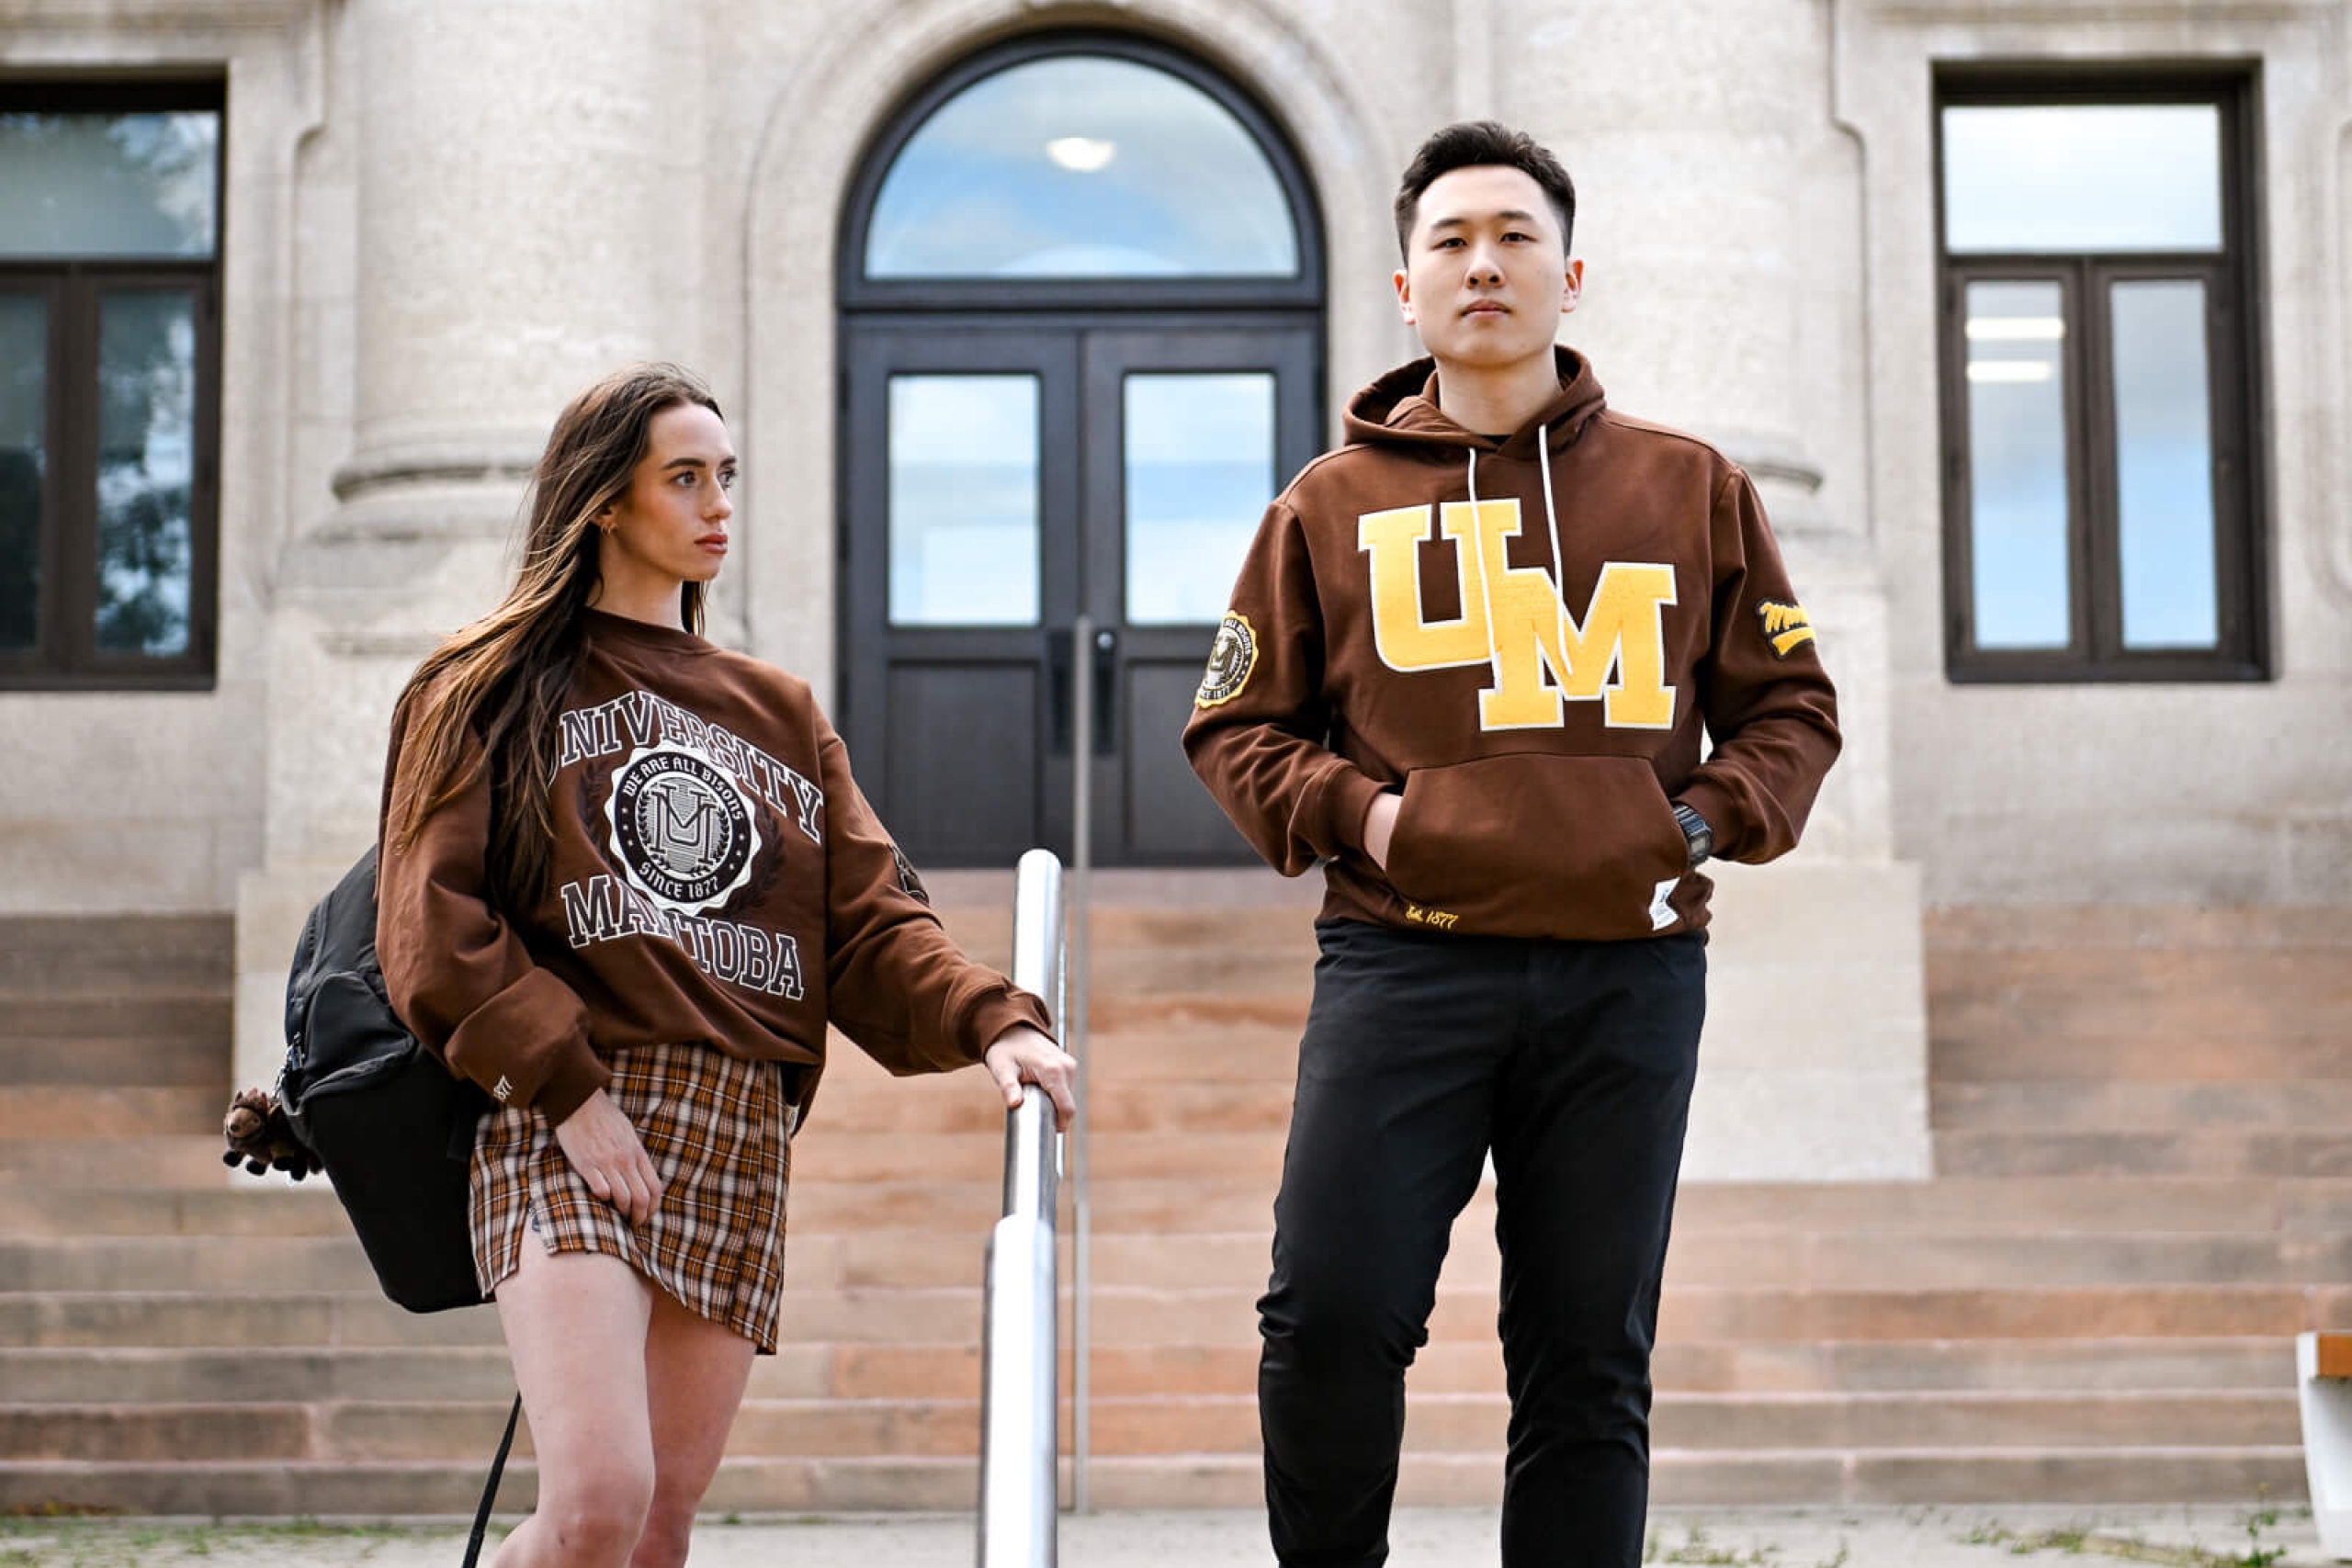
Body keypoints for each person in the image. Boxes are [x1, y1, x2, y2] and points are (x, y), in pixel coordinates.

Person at [1182, 121, 1841, 1566]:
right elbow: (1234, 727)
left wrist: (1684, 823)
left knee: (1588, 1362)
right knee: (1330, 1318)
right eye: (1453, 243)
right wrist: (1376, 819)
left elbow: (1790, 709)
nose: (1485, 264)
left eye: (1516, 237)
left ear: (1571, 274)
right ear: (1405, 293)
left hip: (1627, 973)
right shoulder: (1325, 506)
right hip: (1401, 966)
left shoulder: (1691, 488)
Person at [375, 363, 1076, 1568]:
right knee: (597, 1499)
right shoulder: (484, 682)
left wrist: (994, 1020)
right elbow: (434, 917)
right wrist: (570, 1092)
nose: (717, 506)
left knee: (655, 1531)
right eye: (683, 478)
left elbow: (866, 917)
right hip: (569, 1109)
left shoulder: (777, 710)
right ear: (604, 501)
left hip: (735, 1124)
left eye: (726, 477)